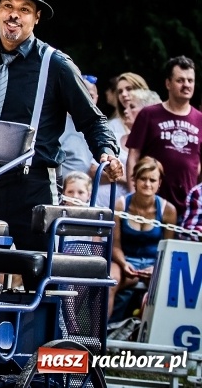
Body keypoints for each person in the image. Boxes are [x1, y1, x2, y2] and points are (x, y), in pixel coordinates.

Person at [0, 0, 122, 251]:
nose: (14, 15)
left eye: (24, 10)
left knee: (40, 282)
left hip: (32, 188)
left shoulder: (56, 65)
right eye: (8, 6)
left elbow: (92, 120)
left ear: (36, 18)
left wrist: (107, 151)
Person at [126, 55, 202, 221]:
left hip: (188, 206)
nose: (187, 85)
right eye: (180, 80)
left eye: (190, 80)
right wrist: (133, 196)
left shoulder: (200, 120)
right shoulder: (149, 114)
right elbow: (133, 156)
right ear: (168, 83)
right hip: (149, 202)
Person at [110, 156, 176, 319]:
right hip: (124, 261)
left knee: (168, 286)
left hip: (155, 264)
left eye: (152, 180)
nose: (147, 184)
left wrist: (156, 267)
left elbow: (169, 249)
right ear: (135, 179)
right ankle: (101, 335)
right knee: (110, 282)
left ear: (159, 183)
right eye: (143, 179)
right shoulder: (121, 205)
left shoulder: (168, 210)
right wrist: (124, 264)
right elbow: (115, 244)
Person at [90, 72, 150, 206]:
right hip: (107, 199)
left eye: (128, 89)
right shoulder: (112, 125)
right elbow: (95, 169)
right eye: (120, 91)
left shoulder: (152, 131)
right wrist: (127, 179)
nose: (123, 94)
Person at [60, 75, 98, 183]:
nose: (87, 100)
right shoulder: (58, 123)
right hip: (62, 190)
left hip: (88, 192)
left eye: (91, 95)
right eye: (82, 94)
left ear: (97, 97)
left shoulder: (100, 127)